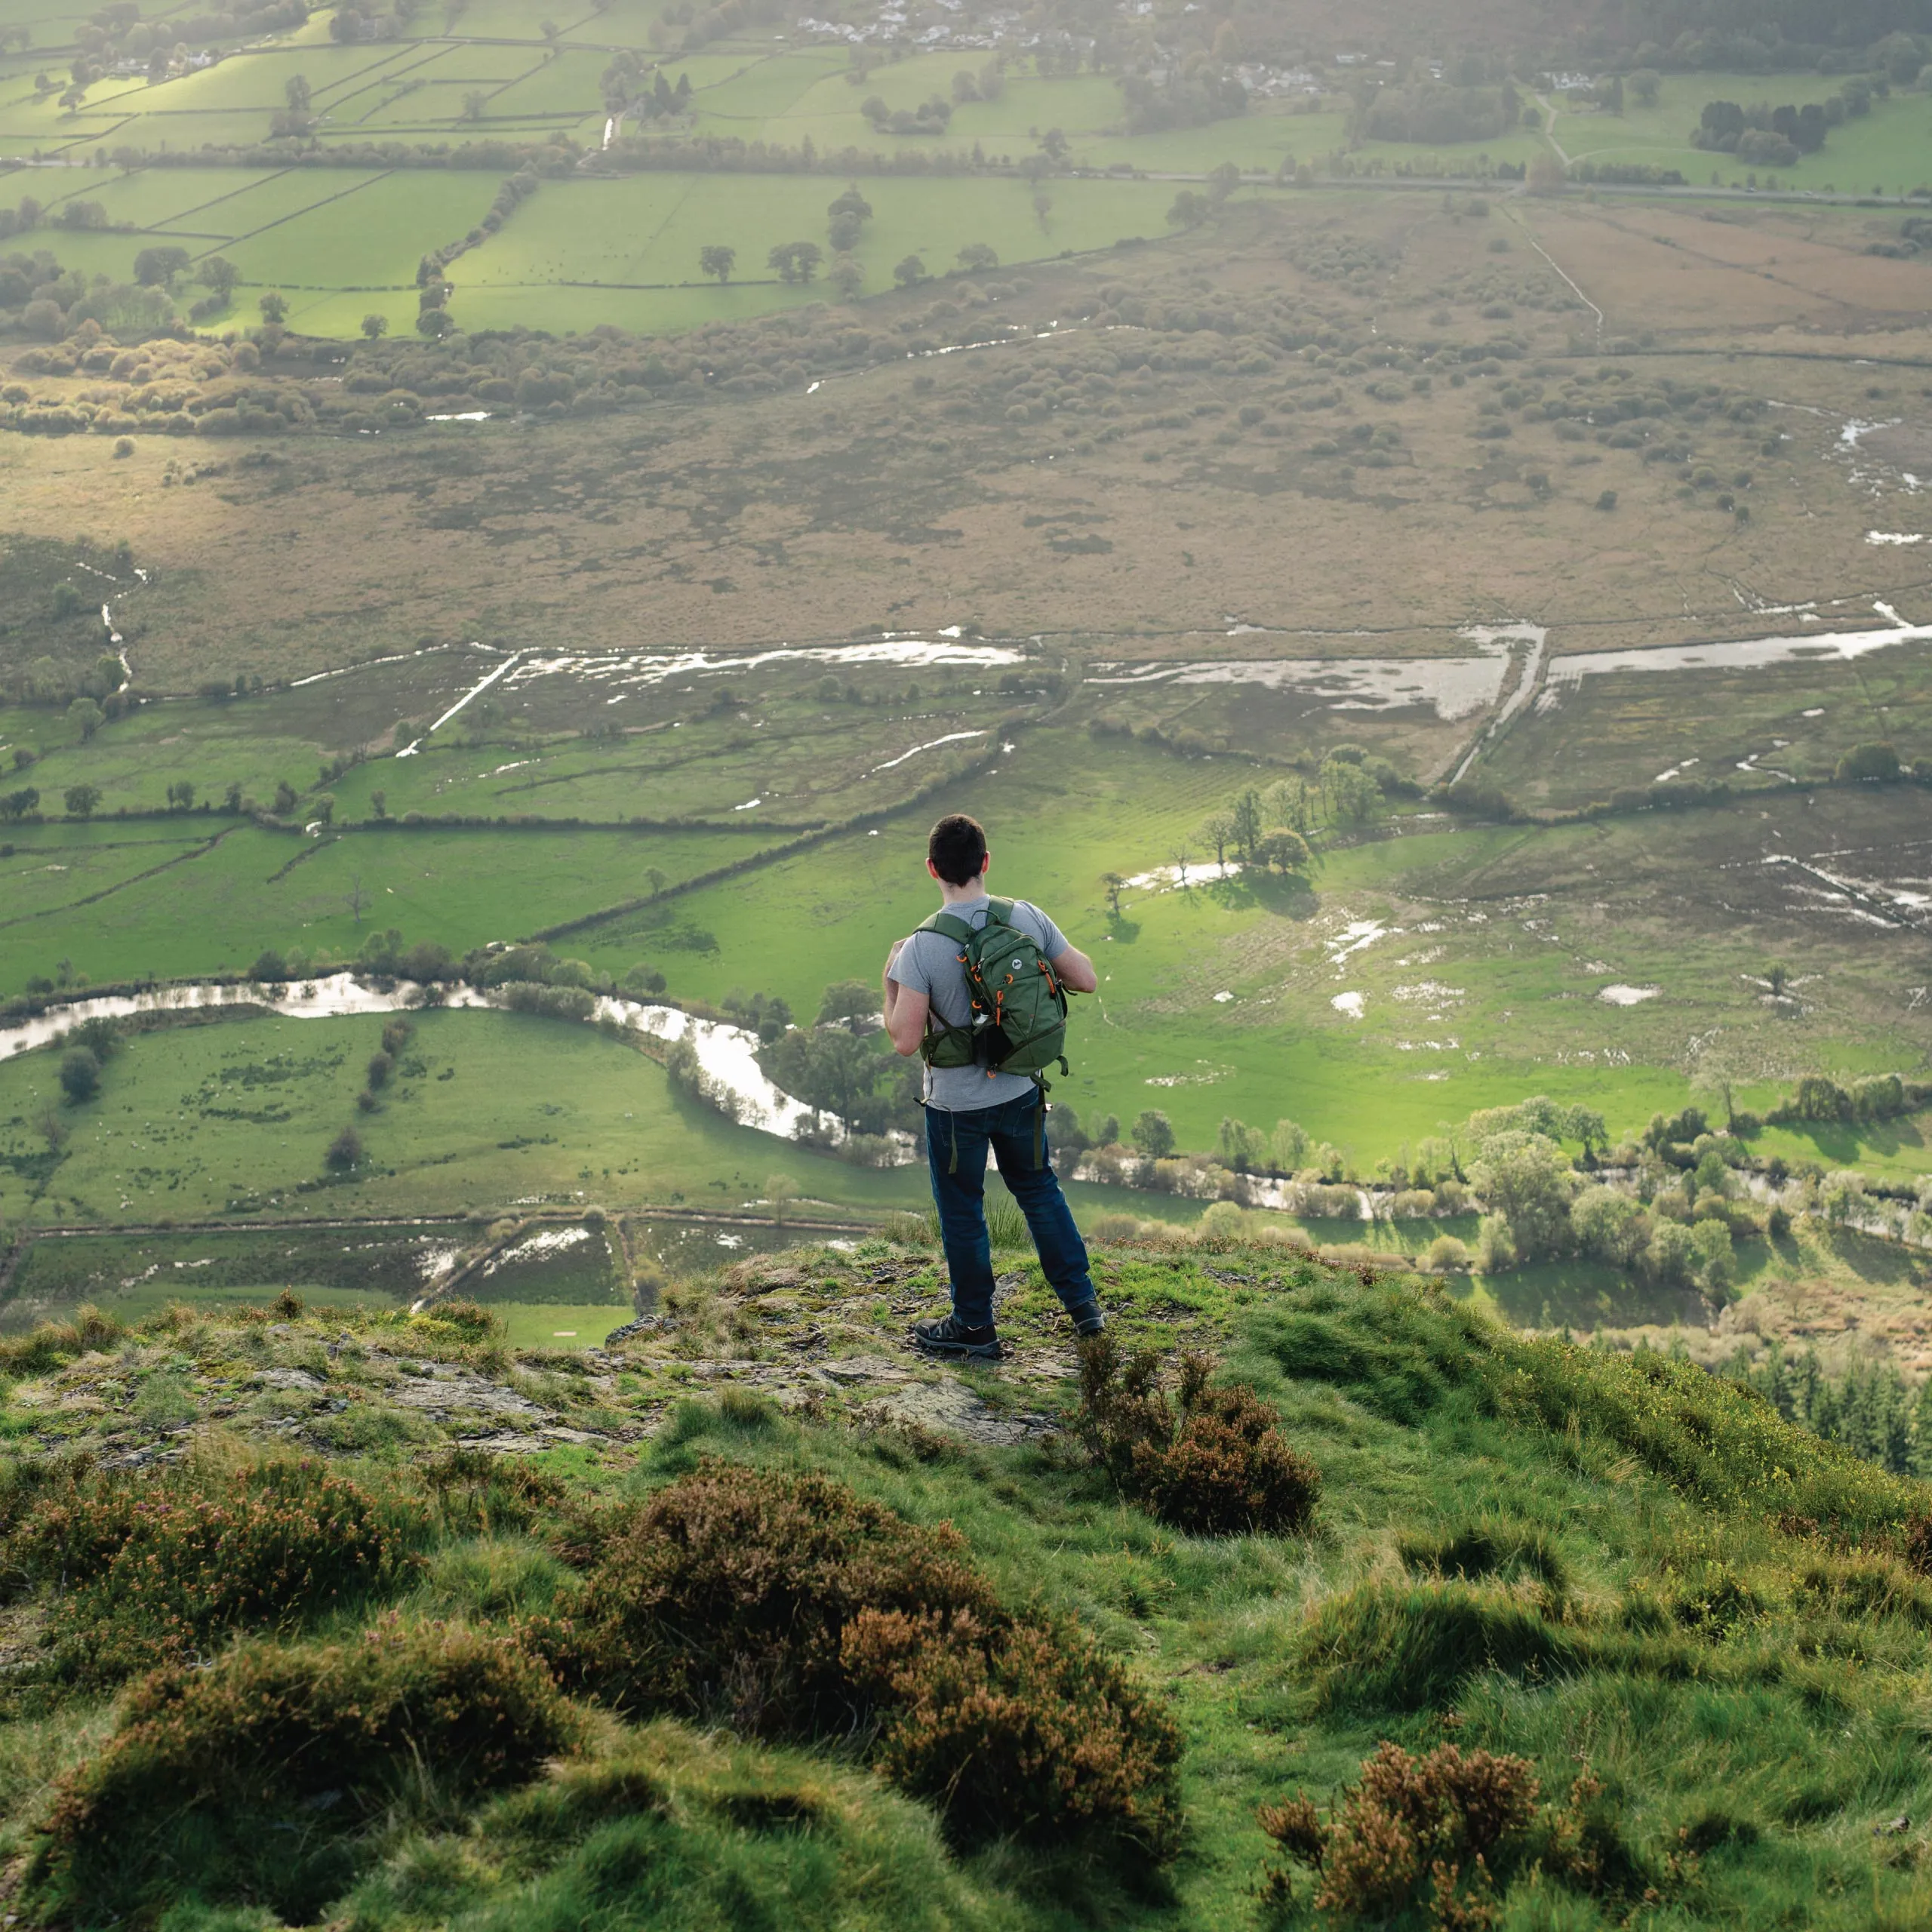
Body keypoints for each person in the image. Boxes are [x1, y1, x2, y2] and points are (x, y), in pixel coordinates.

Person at [883, 812, 1104, 1360]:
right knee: (1038, 1190)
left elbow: (905, 1040)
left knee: (963, 1210)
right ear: (985, 862)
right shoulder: (1025, 916)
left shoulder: (919, 948)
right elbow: (1086, 979)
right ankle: (1085, 1312)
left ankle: (976, 1328)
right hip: (1021, 1092)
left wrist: (889, 981)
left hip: (954, 1108)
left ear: (932, 869)